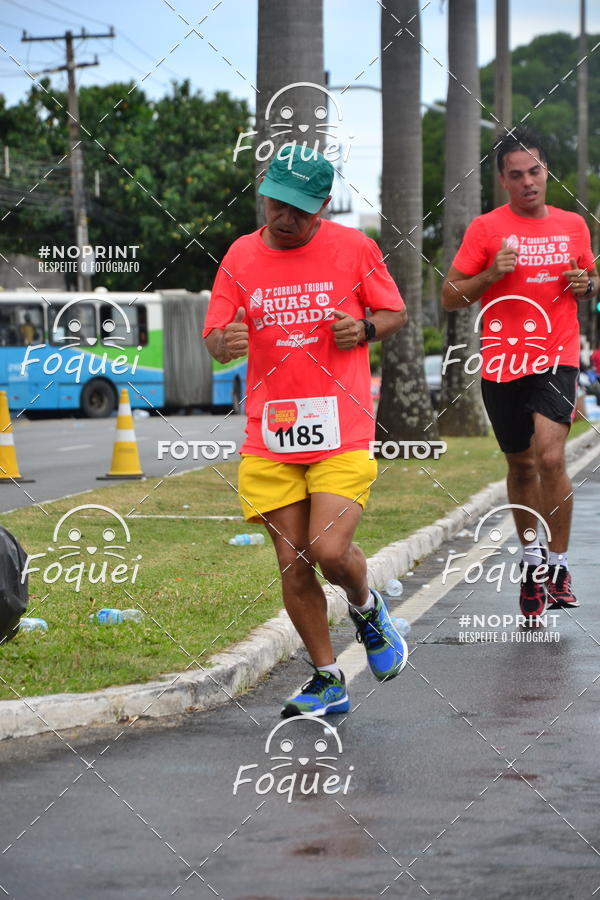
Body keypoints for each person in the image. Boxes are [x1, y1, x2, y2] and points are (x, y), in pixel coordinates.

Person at [203, 146, 408, 717]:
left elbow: (395, 312)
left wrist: (364, 328)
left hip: (341, 427)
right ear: (264, 193)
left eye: (299, 208)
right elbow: (215, 334)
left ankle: (368, 610)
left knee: (329, 550)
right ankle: (327, 677)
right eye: (276, 202)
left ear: (321, 206)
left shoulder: (354, 248)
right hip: (270, 432)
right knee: (293, 562)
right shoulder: (241, 255)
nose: (284, 217)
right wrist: (226, 343)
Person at [442, 126, 599, 618]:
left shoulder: (573, 225)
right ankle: (532, 564)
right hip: (504, 360)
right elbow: (450, 296)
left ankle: (559, 564)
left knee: (551, 459)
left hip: (556, 356)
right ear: (503, 181)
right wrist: (491, 274)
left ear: (546, 171)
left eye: (535, 171)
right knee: (522, 465)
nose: (529, 181)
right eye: (517, 175)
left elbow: (590, 281)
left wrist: (585, 283)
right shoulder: (486, 230)